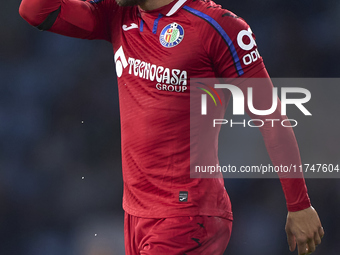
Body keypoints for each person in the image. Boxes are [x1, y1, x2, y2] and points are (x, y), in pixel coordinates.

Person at [19, 0, 324, 254]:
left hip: (188, 214)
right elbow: (34, 11)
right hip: (137, 214)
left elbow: (271, 116)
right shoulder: (117, 15)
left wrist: (299, 205)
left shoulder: (217, 27)